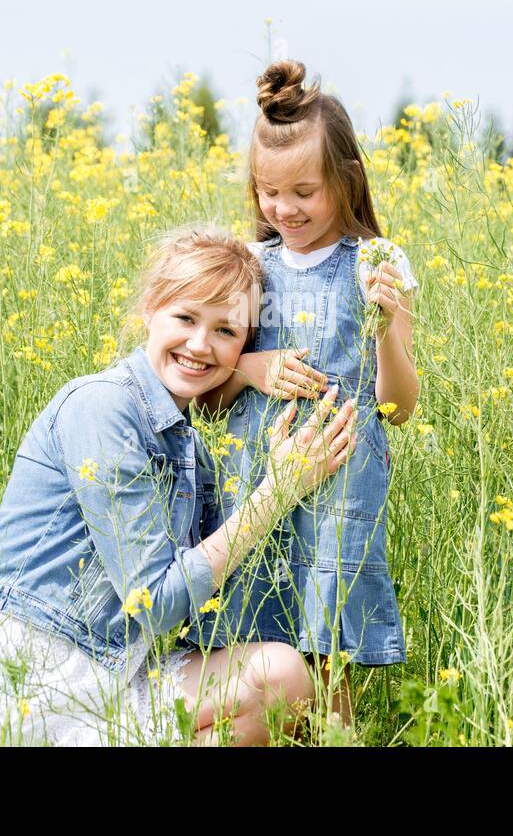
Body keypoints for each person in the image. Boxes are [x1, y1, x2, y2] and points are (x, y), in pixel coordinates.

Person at [0, 226, 359, 745]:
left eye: (227, 331)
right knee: (279, 675)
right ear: (150, 309)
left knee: (287, 678)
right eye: (185, 318)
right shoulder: (102, 407)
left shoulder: (187, 447)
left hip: (112, 675)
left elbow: (217, 581)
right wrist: (277, 491)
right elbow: (153, 601)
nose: (200, 344)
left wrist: (241, 375)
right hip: (25, 687)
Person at [191, 61, 419, 722]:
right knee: (251, 628)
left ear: (346, 181)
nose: (283, 209)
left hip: (342, 482)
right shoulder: (249, 264)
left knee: (327, 644)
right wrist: (251, 368)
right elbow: (203, 378)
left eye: (303, 191)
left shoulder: (377, 261)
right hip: (253, 476)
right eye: (268, 192)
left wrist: (383, 329)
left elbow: (400, 406)